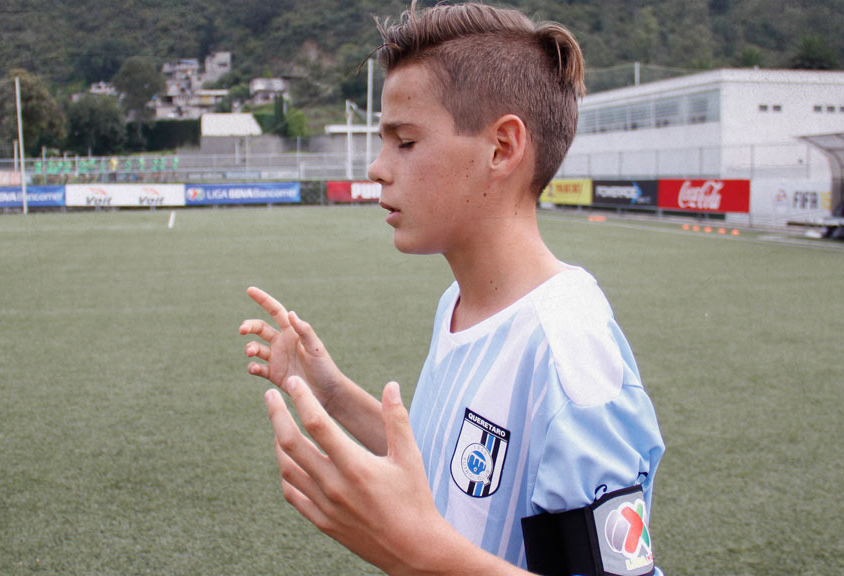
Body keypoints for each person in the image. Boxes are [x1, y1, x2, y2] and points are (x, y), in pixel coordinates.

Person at [240, 2, 665, 574]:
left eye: (405, 142)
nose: (376, 167)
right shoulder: (459, 304)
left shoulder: (570, 353)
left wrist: (417, 554)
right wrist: (332, 390)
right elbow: (448, 462)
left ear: (502, 148)